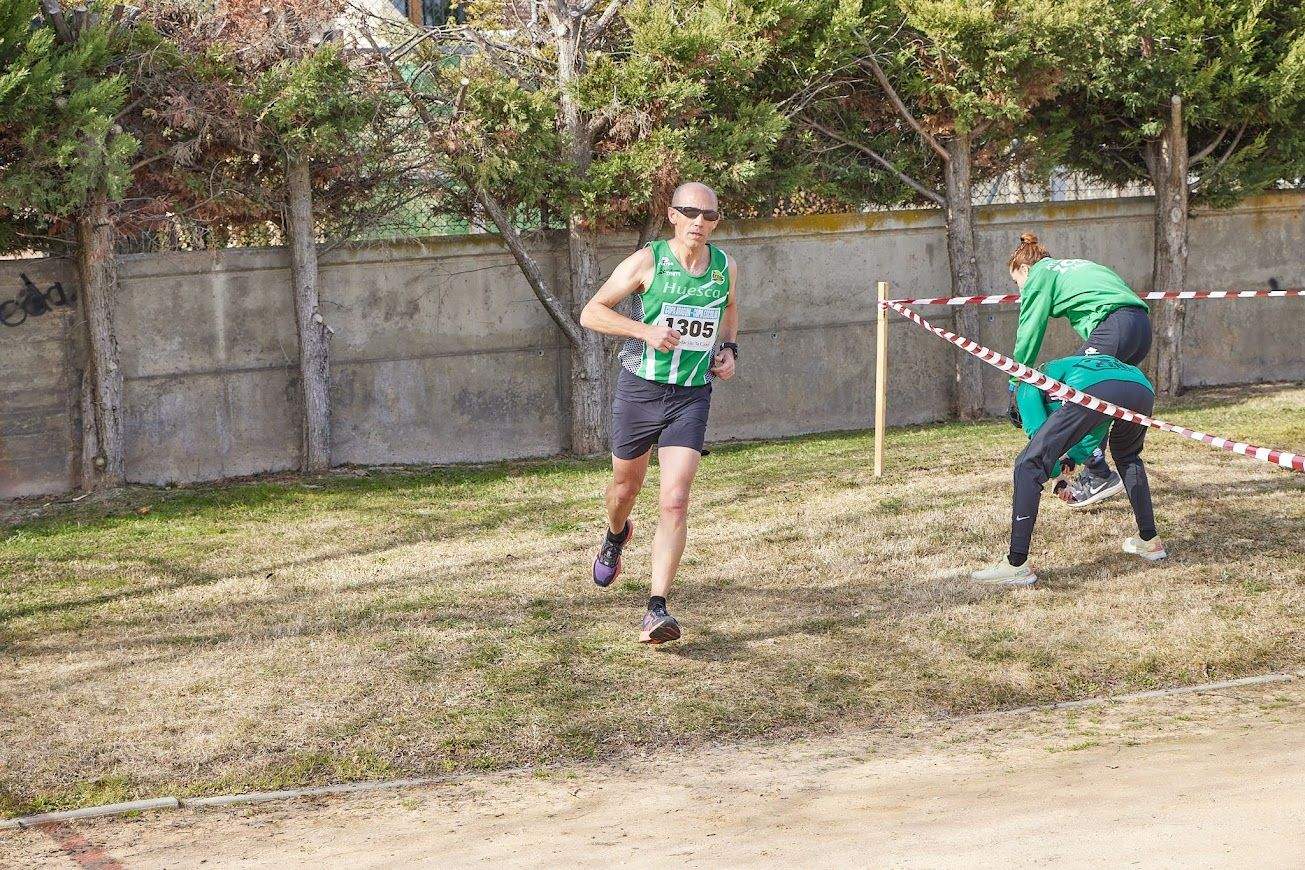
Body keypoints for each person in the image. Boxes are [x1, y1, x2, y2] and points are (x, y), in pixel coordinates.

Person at [578, 181, 739, 644]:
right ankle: (615, 535)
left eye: (708, 215)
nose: (699, 221)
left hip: (691, 394)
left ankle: (657, 609)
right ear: (672, 215)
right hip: (641, 390)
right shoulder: (649, 261)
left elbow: (730, 310)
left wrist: (728, 350)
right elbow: (591, 313)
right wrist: (644, 332)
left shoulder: (725, 267)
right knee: (624, 488)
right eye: (690, 212)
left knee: (674, 499)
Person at [973, 353, 1167, 586]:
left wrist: (1056, 474)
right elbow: (1094, 430)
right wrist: (1070, 462)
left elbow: (1038, 438)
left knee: (1027, 465)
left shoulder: (1026, 384)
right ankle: (1150, 540)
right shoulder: (1060, 376)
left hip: (1096, 387)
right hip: (1140, 386)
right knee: (1127, 457)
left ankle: (1016, 565)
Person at [1007, 234, 1152, 508]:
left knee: (1072, 392)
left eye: (1017, 283)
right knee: (1097, 402)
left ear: (1024, 269)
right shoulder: (1073, 265)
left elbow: (1030, 329)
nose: (1020, 291)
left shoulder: (1040, 274)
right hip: (1141, 327)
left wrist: (1017, 375)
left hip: (1114, 326)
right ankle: (1087, 464)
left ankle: (1094, 472)